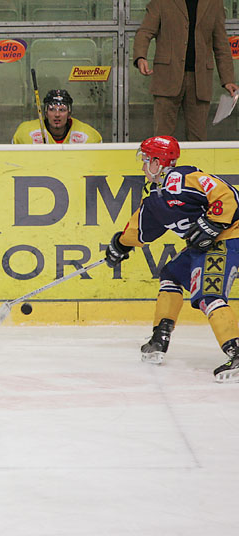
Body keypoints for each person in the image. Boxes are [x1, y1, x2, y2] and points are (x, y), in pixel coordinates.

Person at [104, 135, 239, 383]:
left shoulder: (186, 178)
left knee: (209, 295)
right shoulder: (156, 196)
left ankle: (236, 351)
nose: (143, 167)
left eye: (146, 160)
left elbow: (228, 195)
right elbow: (140, 229)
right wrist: (120, 245)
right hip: (206, 247)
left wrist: (212, 223)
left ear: (158, 162)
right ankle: (160, 337)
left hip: (230, 238)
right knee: (172, 274)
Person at [134, 0, 238, 141]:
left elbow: (221, 42)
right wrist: (140, 57)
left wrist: (228, 79)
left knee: (198, 138)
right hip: (167, 78)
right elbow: (145, 31)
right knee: (163, 137)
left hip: (200, 81)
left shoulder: (214, 2)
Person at [12, 89, 102, 144]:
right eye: (52, 109)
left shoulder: (88, 135)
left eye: (62, 110)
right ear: (46, 113)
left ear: (69, 114)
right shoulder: (26, 133)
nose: (57, 115)